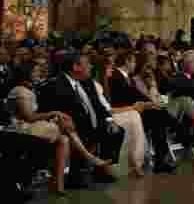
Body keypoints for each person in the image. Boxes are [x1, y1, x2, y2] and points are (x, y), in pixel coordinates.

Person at [6, 62, 116, 195]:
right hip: (19, 129)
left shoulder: (30, 89)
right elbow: (29, 117)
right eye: (35, 71)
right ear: (26, 73)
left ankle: (57, 185)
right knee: (63, 124)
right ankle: (89, 157)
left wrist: (54, 115)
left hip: (33, 126)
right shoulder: (19, 90)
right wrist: (54, 113)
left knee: (64, 140)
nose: (38, 73)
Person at [92, 56, 147, 177]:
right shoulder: (96, 85)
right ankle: (135, 163)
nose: (112, 70)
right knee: (134, 116)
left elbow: (109, 109)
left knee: (134, 116)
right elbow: (108, 111)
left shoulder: (103, 84)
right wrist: (133, 107)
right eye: (109, 68)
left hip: (109, 116)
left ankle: (135, 163)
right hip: (102, 120)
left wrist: (134, 107)